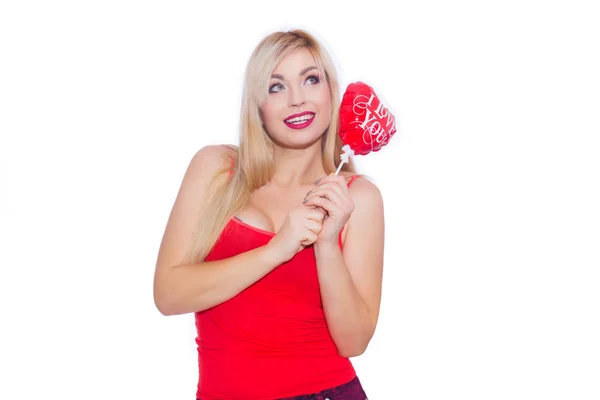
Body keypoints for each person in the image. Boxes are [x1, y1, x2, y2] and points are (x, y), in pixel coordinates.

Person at [153, 29, 385, 400]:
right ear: (257, 106)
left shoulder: (359, 197)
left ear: (331, 93)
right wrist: (277, 249)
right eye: (276, 87)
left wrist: (327, 245)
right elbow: (168, 295)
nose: (297, 100)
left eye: (311, 79)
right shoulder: (216, 169)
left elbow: (354, 341)